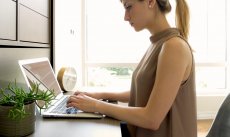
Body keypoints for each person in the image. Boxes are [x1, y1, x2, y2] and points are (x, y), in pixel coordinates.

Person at [67, 0, 197, 137]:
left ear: (151, 2)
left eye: (129, 7)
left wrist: (95, 106)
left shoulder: (174, 47)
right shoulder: (158, 43)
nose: (125, 17)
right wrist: (100, 95)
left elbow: (152, 119)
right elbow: (144, 91)